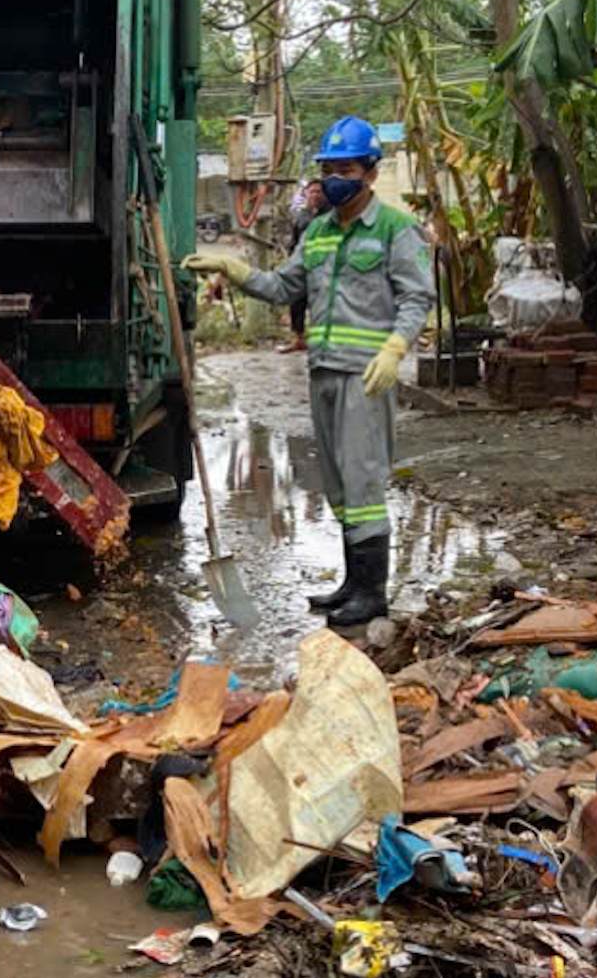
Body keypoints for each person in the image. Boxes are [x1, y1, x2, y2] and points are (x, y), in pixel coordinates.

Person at [183, 117, 433, 627]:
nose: (336, 177)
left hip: (366, 375)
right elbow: (283, 287)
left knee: (363, 482)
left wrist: (394, 349)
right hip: (322, 372)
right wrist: (236, 271)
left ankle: (372, 594)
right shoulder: (318, 231)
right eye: (328, 169)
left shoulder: (394, 229)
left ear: (369, 171)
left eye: (345, 168)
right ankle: (351, 583)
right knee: (338, 484)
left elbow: (417, 296)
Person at [281, 179, 325, 354]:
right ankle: (298, 339)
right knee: (297, 302)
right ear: (305, 194)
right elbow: (294, 241)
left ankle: (320, 341)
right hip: (302, 266)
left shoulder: (330, 216)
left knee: (320, 304)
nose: (315, 195)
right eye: (312, 191)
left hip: (322, 269)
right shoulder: (301, 216)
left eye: (318, 192)